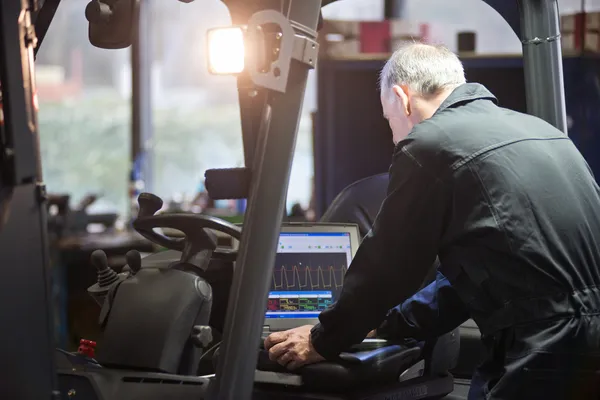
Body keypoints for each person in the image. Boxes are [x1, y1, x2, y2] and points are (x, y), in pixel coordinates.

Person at [264, 43, 600, 399]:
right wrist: (389, 324)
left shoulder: (430, 143)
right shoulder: (541, 131)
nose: (395, 135)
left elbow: (388, 266)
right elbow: (474, 278)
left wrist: (323, 340)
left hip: (543, 346)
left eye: (389, 120)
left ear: (402, 98)